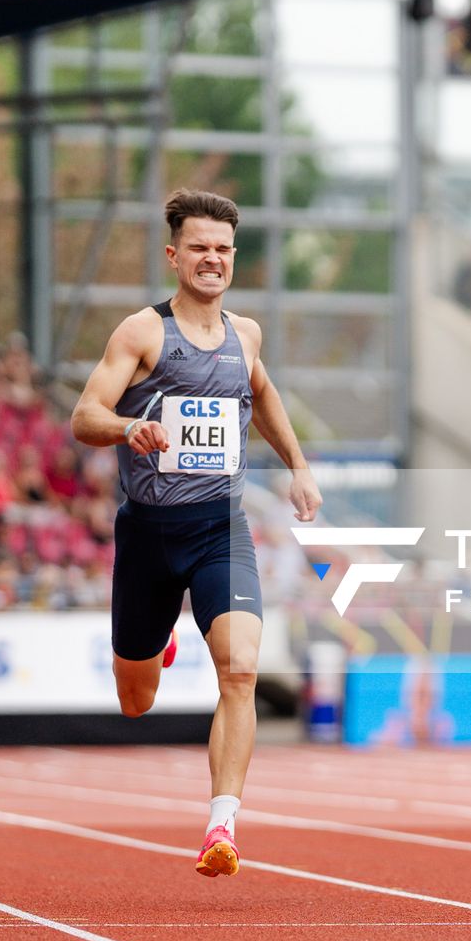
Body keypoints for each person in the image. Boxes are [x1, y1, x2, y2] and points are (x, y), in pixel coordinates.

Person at [71, 188, 322, 879]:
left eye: (223, 249)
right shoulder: (142, 333)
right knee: (135, 699)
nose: (212, 260)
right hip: (150, 538)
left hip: (220, 528)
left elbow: (262, 392)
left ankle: (221, 824)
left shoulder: (246, 335)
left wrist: (298, 467)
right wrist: (129, 428)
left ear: (232, 257)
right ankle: (164, 643)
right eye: (200, 248)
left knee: (241, 669)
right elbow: (84, 415)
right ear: (174, 254)